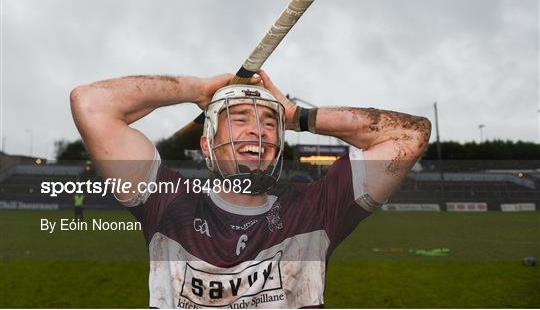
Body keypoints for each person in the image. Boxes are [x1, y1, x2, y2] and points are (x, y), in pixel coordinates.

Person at [70, 70, 431, 308]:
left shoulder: (317, 208)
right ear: (208, 142)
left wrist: (299, 117)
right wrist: (198, 90)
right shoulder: (166, 201)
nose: (258, 131)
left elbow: (410, 135)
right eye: (239, 119)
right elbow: (91, 103)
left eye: (270, 124)